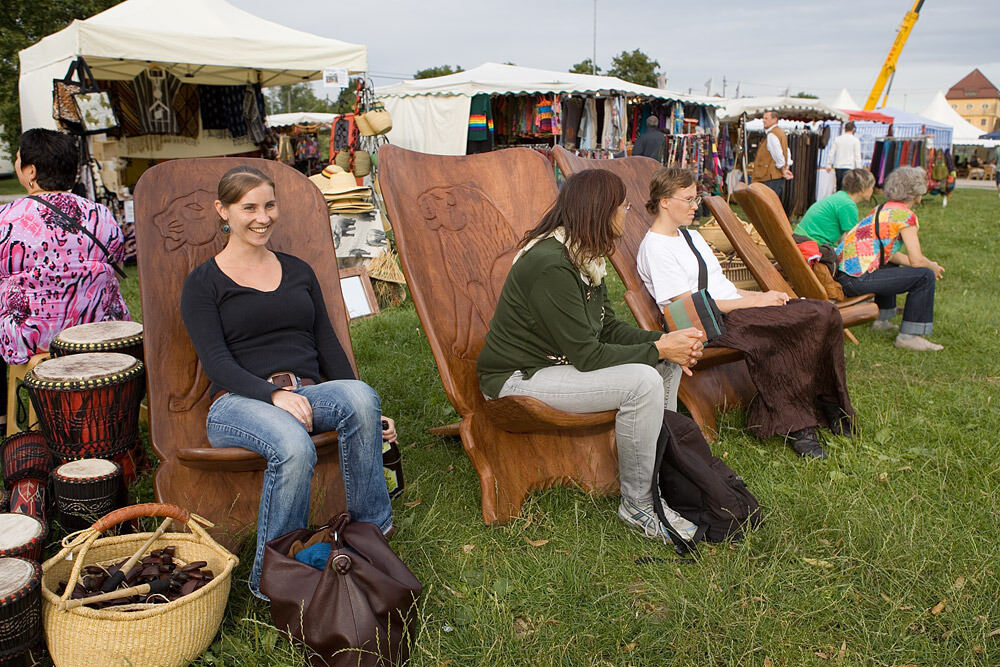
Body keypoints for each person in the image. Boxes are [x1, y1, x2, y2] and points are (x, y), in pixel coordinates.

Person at [181, 166, 394, 599]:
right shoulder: (203, 283)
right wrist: (273, 394)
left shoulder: (298, 271)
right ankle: (273, 580)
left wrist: (369, 412)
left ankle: (371, 540)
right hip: (237, 401)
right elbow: (217, 364)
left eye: (269, 206)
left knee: (360, 396)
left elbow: (328, 345)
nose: (263, 218)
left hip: (305, 392)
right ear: (223, 210)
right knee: (293, 445)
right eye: (249, 208)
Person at [477, 169, 705, 545]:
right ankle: (638, 505)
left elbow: (607, 329)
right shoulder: (551, 263)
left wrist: (666, 342)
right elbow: (586, 354)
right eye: (623, 206)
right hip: (517, 377)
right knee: (643, 381)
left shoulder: (583, 256)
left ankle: (663, 478)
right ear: (601, 210)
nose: (627, 212)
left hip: (557, 365)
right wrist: (659, 347)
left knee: (664, 365)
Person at [637, 167, 856, 459]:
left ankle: (828, 403)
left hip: (731, 310)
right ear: (664, 201)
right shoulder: (655, 247)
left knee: (825, 312)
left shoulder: (691, 237)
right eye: (688, 199)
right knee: (786, 329)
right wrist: (755, 304)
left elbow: (724, 289)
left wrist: (762, 297)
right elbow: (687, 306)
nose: (695, 206)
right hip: (706, 323)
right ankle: (798, 427)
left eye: (695, 199)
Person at [0, 128, 130, 369]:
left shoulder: (6, 218)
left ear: (31, 171)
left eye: (18, 159)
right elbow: (118, 270)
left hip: (31, 341)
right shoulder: (101, 214)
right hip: (100, 331)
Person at [836, 166, 945, 351]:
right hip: (857, 280)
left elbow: (890, 254)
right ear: (917, 192)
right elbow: (917, 261)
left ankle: (882, 320)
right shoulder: (905, 216)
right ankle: (909, 337)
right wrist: (932, 266)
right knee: (924, 276)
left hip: (845, 276)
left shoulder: (880, 209)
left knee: (890, 262)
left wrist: (924, 263)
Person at [794, 168, 875, 273]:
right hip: (812, 245)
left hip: (800, 240)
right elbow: (854, 239)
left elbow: (844, 237)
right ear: (863, 188)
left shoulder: (840, 197)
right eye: (872, 187)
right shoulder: (848, 204)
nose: (872, 190)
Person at [752, 110, 793, 198]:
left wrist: (783, 169)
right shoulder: (780, 133)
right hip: (774, 177)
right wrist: (786, 167)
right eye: (763, 118)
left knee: (766, 202)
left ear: (774, 120)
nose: (763, 120)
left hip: (769, 177)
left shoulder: (772, 135)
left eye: (766, 118)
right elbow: (787, 151)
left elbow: (778, 154)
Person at [825, 121, 863, 190]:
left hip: (838, 166)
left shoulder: (838, 139)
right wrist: (859, 168)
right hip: (850, 166)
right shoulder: (856, 141)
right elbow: (857, 156)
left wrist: (829, 164)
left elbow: (832, 152)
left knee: (839, 186)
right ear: (853, 129)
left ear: (844, 129)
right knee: (848, 187)